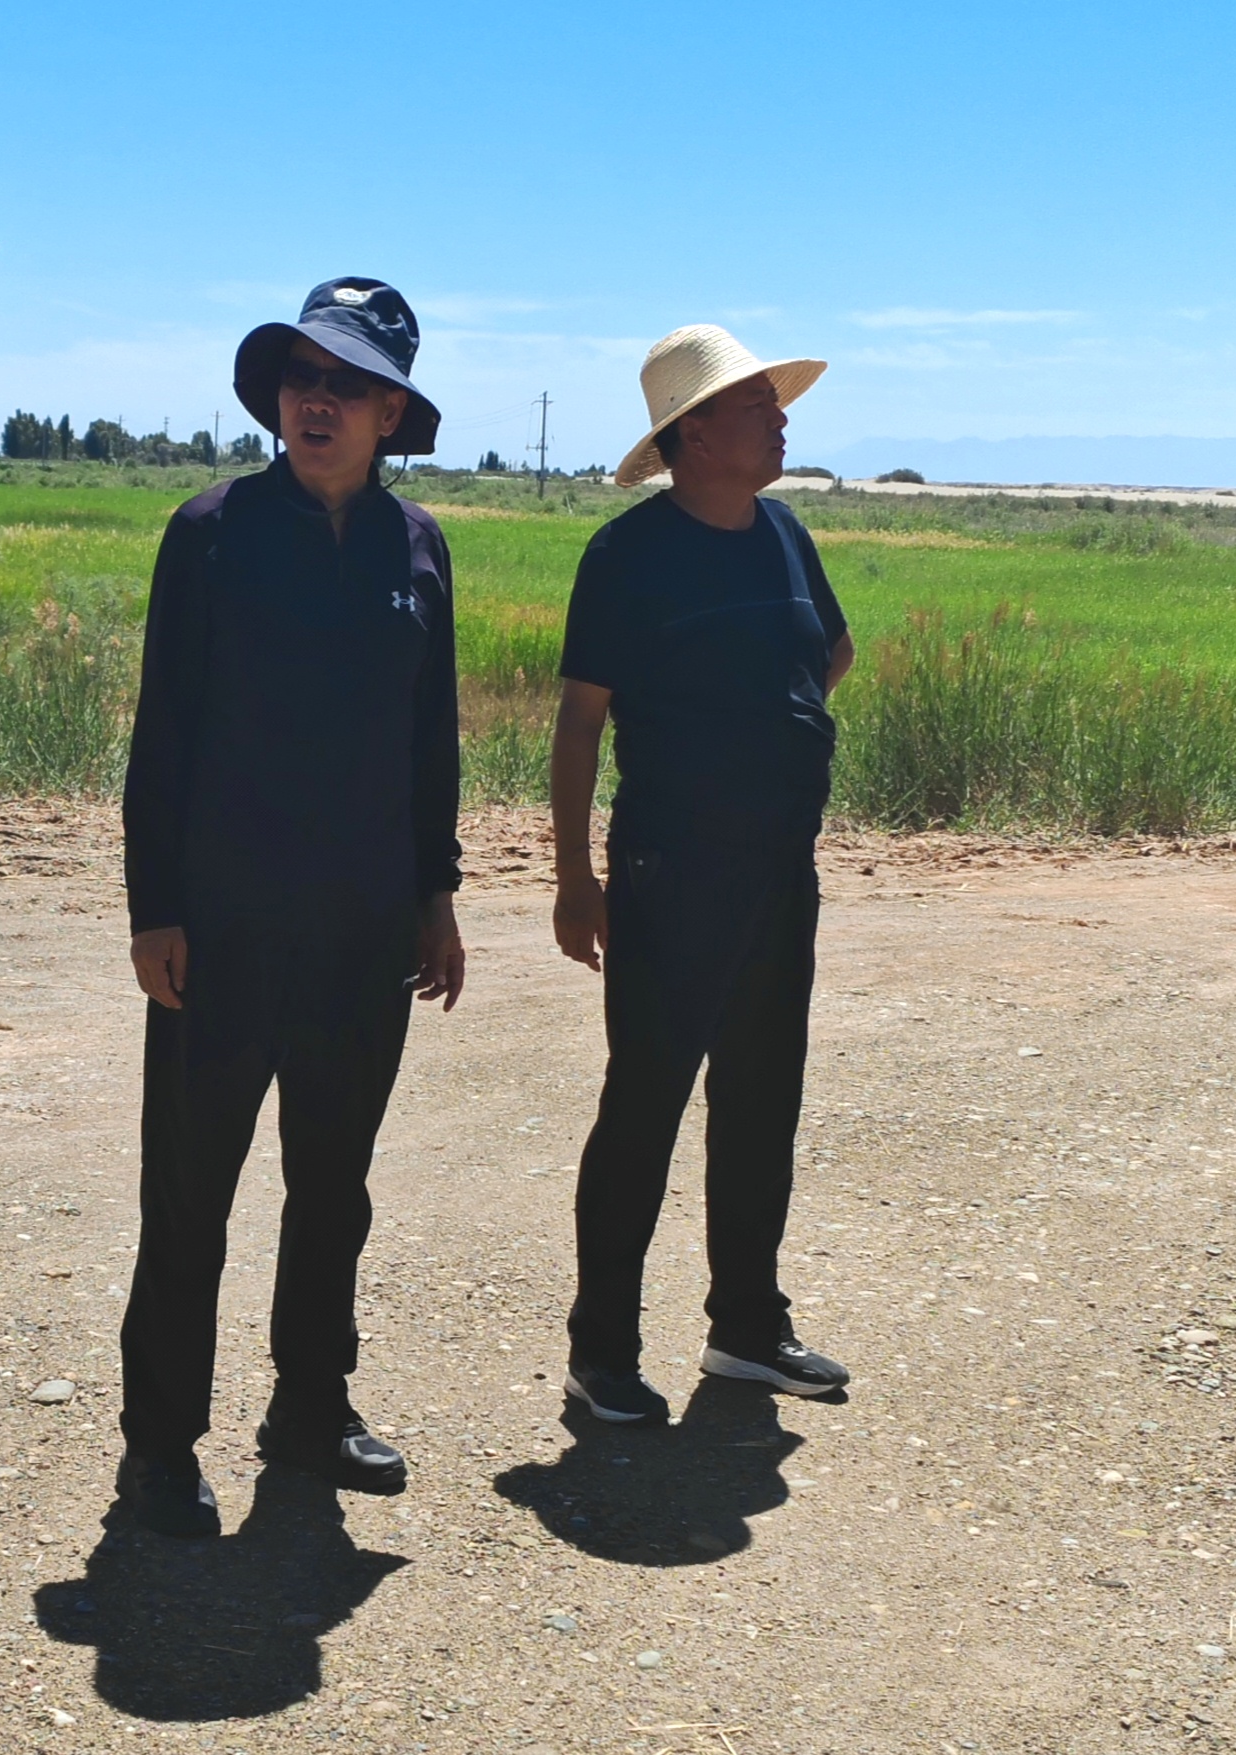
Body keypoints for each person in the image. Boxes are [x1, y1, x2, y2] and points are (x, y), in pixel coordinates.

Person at [116, 279, 467, 1537]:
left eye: (346, 385)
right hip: (219, 931)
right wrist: (154, 908)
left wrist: (435, 895)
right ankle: (159, 1444)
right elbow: (162, 735)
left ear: (389, 412)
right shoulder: (209, 533)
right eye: (299, 378)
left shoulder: (416, 547)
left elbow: (431, 741)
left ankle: (309, 1410)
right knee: (187, 1195)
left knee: (333, 1188)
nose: (316, 402)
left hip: (362, 934)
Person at [549, 324, 857, 1426]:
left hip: (779, 866)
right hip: (668, 870)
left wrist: (774, 727)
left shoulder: (784, 534)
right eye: (756, 405)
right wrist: (572, 875)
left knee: (762, 1100)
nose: (780, 419)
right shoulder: (627, 556)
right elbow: (579, 722)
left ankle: (745, 1330)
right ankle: (601, 1353)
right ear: (691, 434)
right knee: (644, 1104)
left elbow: (829, 650)